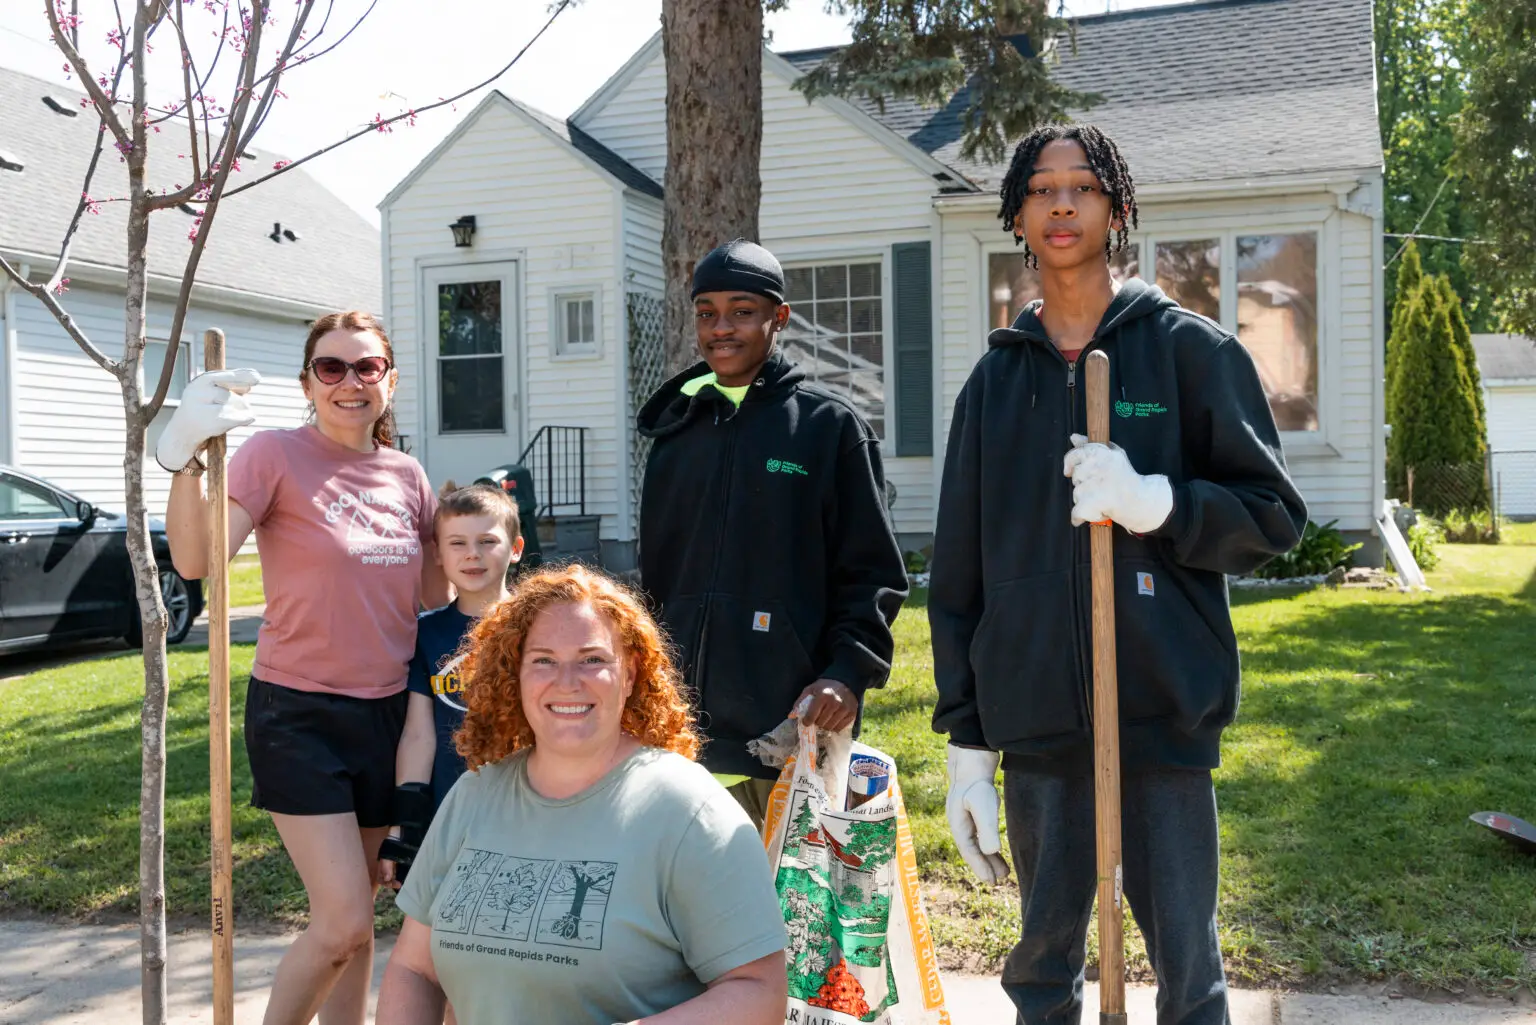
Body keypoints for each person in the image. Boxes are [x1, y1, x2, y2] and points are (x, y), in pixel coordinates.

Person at [929, 124, 1306, 1025]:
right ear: (1018, 214)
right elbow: (960, 573)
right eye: (1043, 188)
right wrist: (969, 743)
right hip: (1040, 724)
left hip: (1161, 714)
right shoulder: (994, 384)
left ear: (1118, 207)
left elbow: (1272, 516)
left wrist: (1158, 505)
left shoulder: (1190, 352)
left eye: (1084, 186)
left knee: (1190, 969)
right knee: (1041, 969)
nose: (1063, 203)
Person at [162, 310, 449, 1025]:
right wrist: (183, 458)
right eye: (332, 367)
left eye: (366, 367)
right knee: (344, 918)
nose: (350, 382)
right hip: (298, 711)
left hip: (389, 716)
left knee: (356, 924)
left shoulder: (408, 475)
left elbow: (437, 599)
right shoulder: (271, 456)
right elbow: (196, 562)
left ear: (391, 380)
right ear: (308, 382)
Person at [377, 564, 788, 1025]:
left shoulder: (690, 811)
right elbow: (415, 970)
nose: (567, 680)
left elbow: (759, 992)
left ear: (630, 674)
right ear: (516, 674)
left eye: (593, 659)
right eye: (543, 660)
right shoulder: (473, 794)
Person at [635, 239, 908, 827]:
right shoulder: (675, 435)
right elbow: (656, 579)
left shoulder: (826, 428)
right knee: (686, 916)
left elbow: (873, 573)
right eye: (706, 312)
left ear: (778, 318)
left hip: (788, 731)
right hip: (678, 736)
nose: (721, 328)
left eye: (742, 310)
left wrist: (848, 673)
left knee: (788, 915)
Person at [380, 482, 525, 888]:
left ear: (515, 548)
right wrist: (402, 826)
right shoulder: (426, 634)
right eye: (457, 543)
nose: (472, 554)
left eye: (487, 541)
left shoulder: (539, 625)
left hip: (530, 807)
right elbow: (418, 736)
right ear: (438, 555)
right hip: (450, 811)